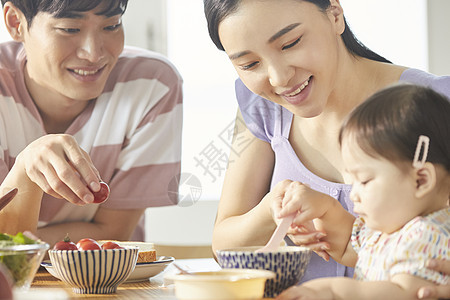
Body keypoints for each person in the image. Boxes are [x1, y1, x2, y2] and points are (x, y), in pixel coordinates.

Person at [203, 0, 450, 282]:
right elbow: (223, 247)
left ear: (334, 14)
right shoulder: (261, 107)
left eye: (290, 43)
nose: (279, 77)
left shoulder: (438, 101)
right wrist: (272, 209)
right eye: (249, 64)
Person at [0, 0, 183, 247]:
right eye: (70, 29)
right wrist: (24, 168)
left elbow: (114, 232)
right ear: (16, 22)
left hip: (105, 282)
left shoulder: (151, 85)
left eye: (112, 26)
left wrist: (23, 245)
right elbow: (8, 252)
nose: (94, 53)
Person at [273, 84, 449, 299]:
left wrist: (333, 291)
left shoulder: (427, 234)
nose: (353, 194)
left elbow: (405, 293)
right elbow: (348, 242)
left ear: (421, 180)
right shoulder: (388, 232)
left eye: (364, 180)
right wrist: (324, 206)